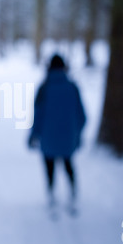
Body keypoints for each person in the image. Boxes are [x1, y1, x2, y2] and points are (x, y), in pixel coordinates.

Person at [28, 54, 86, 216]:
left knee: (50, 167)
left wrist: (33, 136)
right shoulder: (73, 87)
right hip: (68, 140)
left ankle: (52, 195)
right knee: (69, 166)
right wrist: (76, 135)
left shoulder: (44, 88)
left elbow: (38, 116)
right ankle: (73, 195)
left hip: (48, 139)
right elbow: (82, 116)